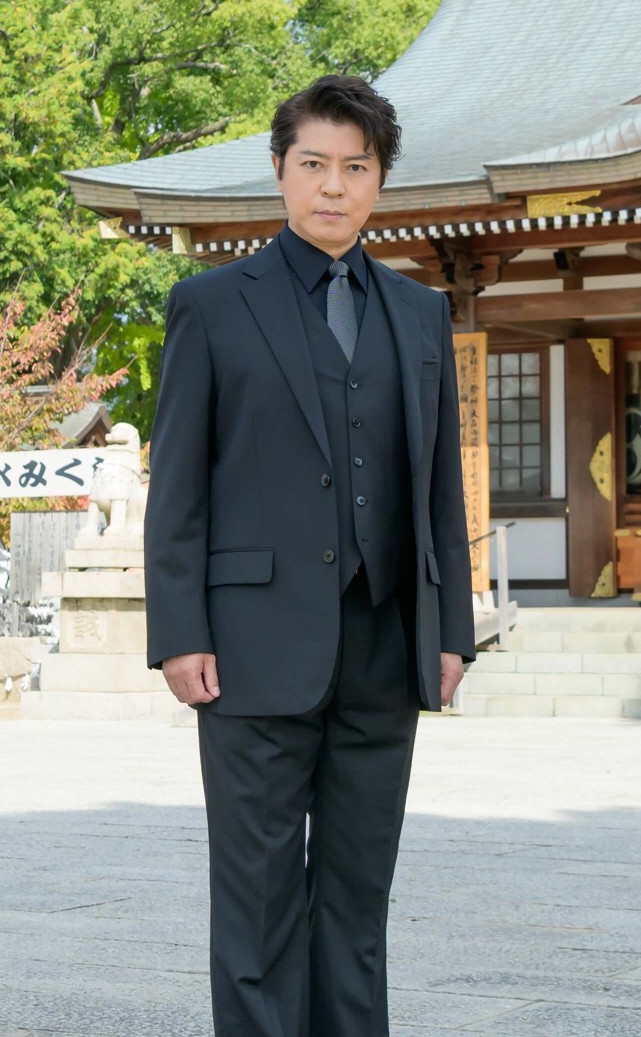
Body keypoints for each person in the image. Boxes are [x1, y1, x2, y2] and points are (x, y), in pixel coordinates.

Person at [144, 74, 477, 1036]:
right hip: (248, 647)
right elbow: (179, 484)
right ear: (281, 170)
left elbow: (439, 487)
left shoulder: (419, 313)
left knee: (358, 903)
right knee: (256, 902)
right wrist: (178, 631)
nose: (334, 186)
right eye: (315, 164)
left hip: (385, 642)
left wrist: (451, 629)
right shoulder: (211, 305)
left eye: (356, 167)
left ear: (380, 181)